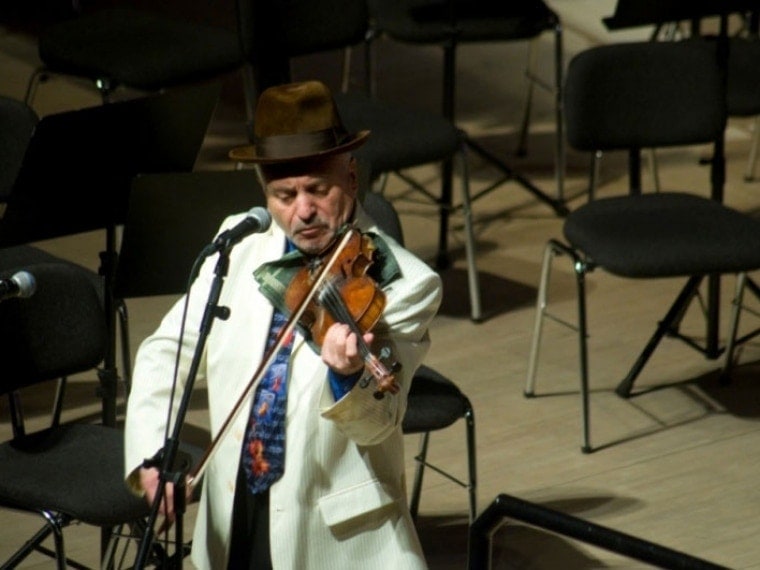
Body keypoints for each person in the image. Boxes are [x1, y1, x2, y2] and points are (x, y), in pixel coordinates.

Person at [124, 80, 443, 569]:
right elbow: (167, 350)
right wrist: (153, 455)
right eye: (284, 195)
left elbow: (378, 424)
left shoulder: (404, 283)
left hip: (332, 535)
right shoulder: (239, 244)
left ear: (351, 177)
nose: (303, 211)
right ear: (265, 193)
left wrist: (348, 376)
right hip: (232, 510)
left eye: (318, 189)